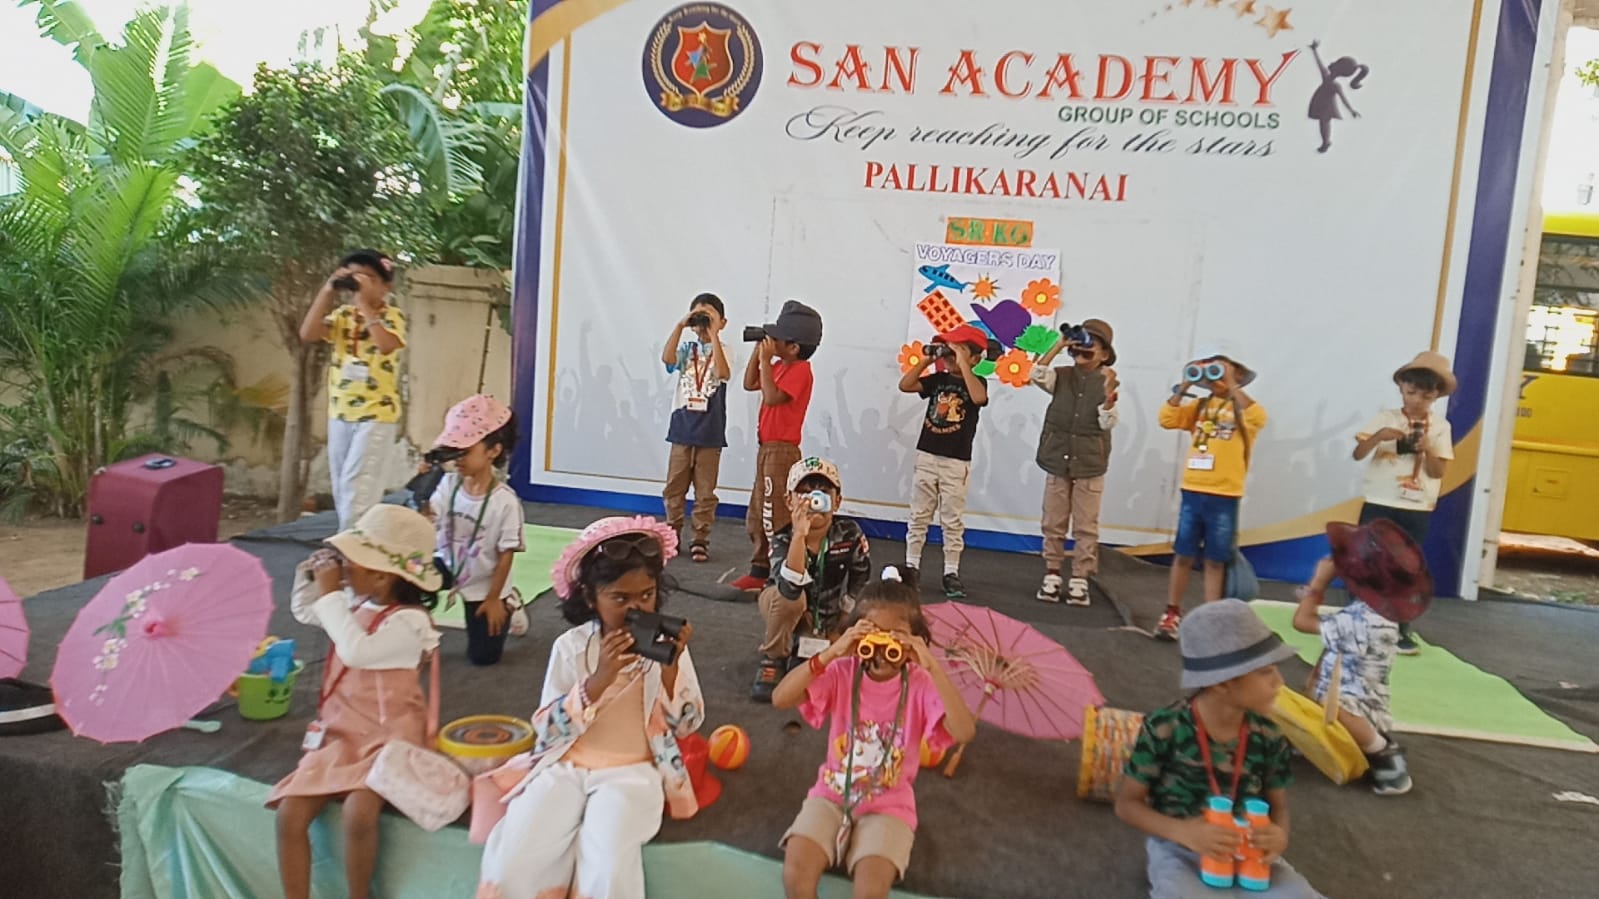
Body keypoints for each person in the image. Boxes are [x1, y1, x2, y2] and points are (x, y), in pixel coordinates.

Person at [477, 516, 703, 899]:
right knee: (517, 853)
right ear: (589, 598)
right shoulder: (570, 647)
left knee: (608, 860)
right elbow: (547, 730)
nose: (636, 608)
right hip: (565, 765)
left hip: (632, 771)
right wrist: (597, 682)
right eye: (620, 598)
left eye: (646, 595)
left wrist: (671, 671)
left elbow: (687, 725)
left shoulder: (664, 649)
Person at [771, 568, 976, 899]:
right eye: (873, 634)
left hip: (888, 806)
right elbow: (780, 698)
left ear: (915, 639)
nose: (882, 648)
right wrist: (832, 652)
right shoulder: (843, 671)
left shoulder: (920, 683)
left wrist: (931, 666)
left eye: (895, 637)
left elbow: (964, 731)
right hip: (832, 794)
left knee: (870, 891)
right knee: (796, 876)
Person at [271, 505, 443, 899]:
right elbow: (306, 610)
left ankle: (358, 894)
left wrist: (332, 593)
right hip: (340, 732)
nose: (343, 567)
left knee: (359, 814)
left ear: (382, 575)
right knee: (289, 814)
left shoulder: (410, 622)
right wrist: (310, 577)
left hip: (388, 738)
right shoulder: (355, 603)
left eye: (351, 560)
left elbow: (356, 651)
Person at [1115, 600, 1324, 899]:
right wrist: (1184, 832)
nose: (1279, 682)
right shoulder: (1165, 728)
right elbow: (1127, 805)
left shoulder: (1269, 735)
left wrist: (1279, 837)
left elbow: (1279, 807)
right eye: (1266, 672)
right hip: (1182, 847)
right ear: (1223, 684)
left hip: (1250, 849)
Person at [1299, 351, 1455, 654]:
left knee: (1407, 568)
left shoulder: (1440, 427)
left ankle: (1400, 627)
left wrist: (1427, 449)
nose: (1417, 400)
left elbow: (1438, 472)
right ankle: (1358, 618)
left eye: (1426, 395)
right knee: (1366, 560)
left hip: (1416, 507)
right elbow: (1359, 454)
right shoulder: (1387, 418)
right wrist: (1380, 436)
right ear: (1401, 388)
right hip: (1379, 500)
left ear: (1436, 396)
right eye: (1411, 392)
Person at [1293, 520, 1432, 796]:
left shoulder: (1364, 619)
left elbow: (1302, 621)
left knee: (1336, 708)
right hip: (1343, 692)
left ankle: (1385, 755)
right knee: (1310, 693)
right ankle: (1325, 739)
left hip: (1359, 707)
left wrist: (1318, 584)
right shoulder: (1372, 612)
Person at [1156, 346, 1268, 640]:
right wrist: (1185, 385)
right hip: (1194, 490)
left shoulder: (1243, 409)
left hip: (1225, 493)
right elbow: (1167, 419)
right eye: (1212, 372)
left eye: (1222, 370)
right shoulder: (1199, 406)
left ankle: (1212, 617)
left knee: (1215, 560)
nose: (1215, 377)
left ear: (1238, 374)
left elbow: (1259, 417)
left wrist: (1231, 385)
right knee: (1183, 554)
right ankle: (1171, 612)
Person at [298, 249, 408, 529]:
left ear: (386, 286)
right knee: (342, 485)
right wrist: (328, 290)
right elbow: (308, 333)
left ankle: (350, 545)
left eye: (368, 277)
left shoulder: (392, 316)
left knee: (359, 484)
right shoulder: (343, 315)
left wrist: (365, 304)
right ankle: (352, 540)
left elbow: (386, 345)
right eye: (354, 275)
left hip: (376, 414)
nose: (359, 281)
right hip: (341, 411)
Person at [752, 457, 872, 703]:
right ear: (789, 500)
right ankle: (773, 657)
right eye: (804, 493)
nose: (814, 500)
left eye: (823, 493)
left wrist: (845, 615)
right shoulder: (782, 539)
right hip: (782, 604)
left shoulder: (849, 533)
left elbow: (862, 575)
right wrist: (799, 535)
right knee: (790, 601)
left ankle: (806, 644)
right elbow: (789, 588)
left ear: (837, 501)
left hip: (829, 614)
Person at [420, 394, 525, 666]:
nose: (457, 459)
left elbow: (506, 555)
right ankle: (414, 630)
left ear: (493, 451)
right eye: (453, 450)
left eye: (465, 450)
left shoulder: (505, 502)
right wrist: (420, 493)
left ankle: (510, 603)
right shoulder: (448, 484)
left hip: (486, 581)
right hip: (448, 564)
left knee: (484, 657)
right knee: (407, 581)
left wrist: (494, 599)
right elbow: (428, 518)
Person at [731, 300, 825, 592]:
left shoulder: (800, 370)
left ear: (793, 347)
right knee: (758, 510)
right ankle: (759, 568)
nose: (771, 342)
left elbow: (772, 398)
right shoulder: (778, 366)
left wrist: (765, 361)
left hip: (782, 451)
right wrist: (759, 353)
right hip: (767, 448)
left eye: (777, 339)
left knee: (775, 513)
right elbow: (749, 383)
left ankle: (779, 570)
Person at [1029, 319, 1120, 605]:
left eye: (1088, 348)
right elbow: (1037, 374)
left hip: (1090, 463)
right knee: (1053, 521)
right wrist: (1059, 345)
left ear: (1104, 354)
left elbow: (1107, 423)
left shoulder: (1107, 379)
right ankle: (1052, 573)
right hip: (1057, 458)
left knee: (1085, 525)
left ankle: (1080, 577)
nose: (1080, 352)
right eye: (1076, 348)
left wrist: (1109, 399)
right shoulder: (1062, 375)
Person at [900, 325, 990, 598]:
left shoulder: (977, 382)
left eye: (957, 351)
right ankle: (911, 566)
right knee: (919, 515)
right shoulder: (938, 379)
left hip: (955, 462)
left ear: (975, 358)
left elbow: (979, 398)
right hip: (927, 455)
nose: (949, 357)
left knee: (951, 520)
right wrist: (927, 359)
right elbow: (905, 385)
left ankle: (951, 571)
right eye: (947, 351)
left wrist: (963, 364)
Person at [660, 293, 733, 563]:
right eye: (698, 316)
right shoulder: (686, 349)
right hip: (682, 429)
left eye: (709, 316)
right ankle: (672, 533)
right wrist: (681, 325)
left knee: (705, 492)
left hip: (710, 433)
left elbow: (723, 373)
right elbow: (667, 359)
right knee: (674, 488)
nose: (702, 322)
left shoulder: (725, 350)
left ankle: (700, 538)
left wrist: (712, 334)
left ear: (722, 322)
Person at [1307, 40, 1369, 153]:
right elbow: (1320, 65)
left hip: (1327, 106)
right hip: (1321, 103)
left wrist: (1351, 110)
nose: (1331, 63)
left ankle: (1326, 142)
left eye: (1335, 63)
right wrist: (1314, 50)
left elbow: (1343, 99)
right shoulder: (1327, 77)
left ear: (1338, 68)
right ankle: (1325, 142)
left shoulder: (1335, 85)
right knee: (1323, 122)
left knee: (1324, 121)